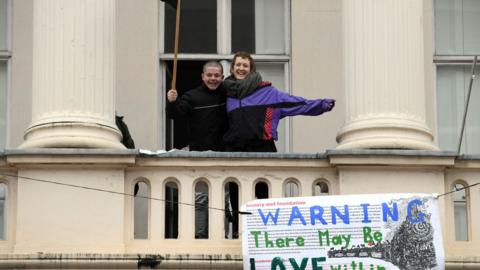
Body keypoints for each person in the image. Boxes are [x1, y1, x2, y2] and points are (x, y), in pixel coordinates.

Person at [223, 51, 335, 152]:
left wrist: (321, 105)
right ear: (232, 69)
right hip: (233, 151)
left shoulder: (266, 92)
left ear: (251, 70)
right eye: (238, 65)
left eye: (245, 66)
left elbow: (296, 104)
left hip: (261, 150)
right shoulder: (226, 94)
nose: (241, 68)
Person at [166, 61, 228, 151]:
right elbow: (174, 114)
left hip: (224, 153)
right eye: (209, 75)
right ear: (202, 76)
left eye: (217, 75)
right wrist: (172, 102)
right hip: (199, 153)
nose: (213, 78)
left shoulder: (229, 94)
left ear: (222, 77)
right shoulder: (192, 96)